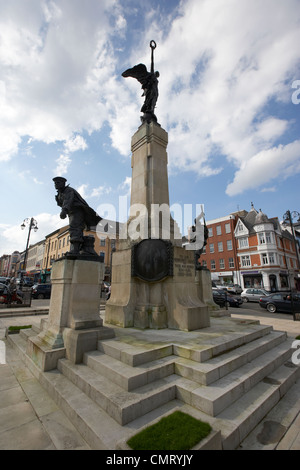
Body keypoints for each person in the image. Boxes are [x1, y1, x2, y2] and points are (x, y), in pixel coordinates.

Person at [53, 177, 102, 255]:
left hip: (78, 211)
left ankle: (75, 250)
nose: (56, 184)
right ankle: (78, 248)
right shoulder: (60, 193)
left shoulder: (68, 190)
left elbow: (68, 201)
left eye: (58, 182)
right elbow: (62, 203)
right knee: (75, 228)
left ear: (63, 183)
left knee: (75, 228)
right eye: (55, 183)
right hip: (71, 212)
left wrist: (64, 210)